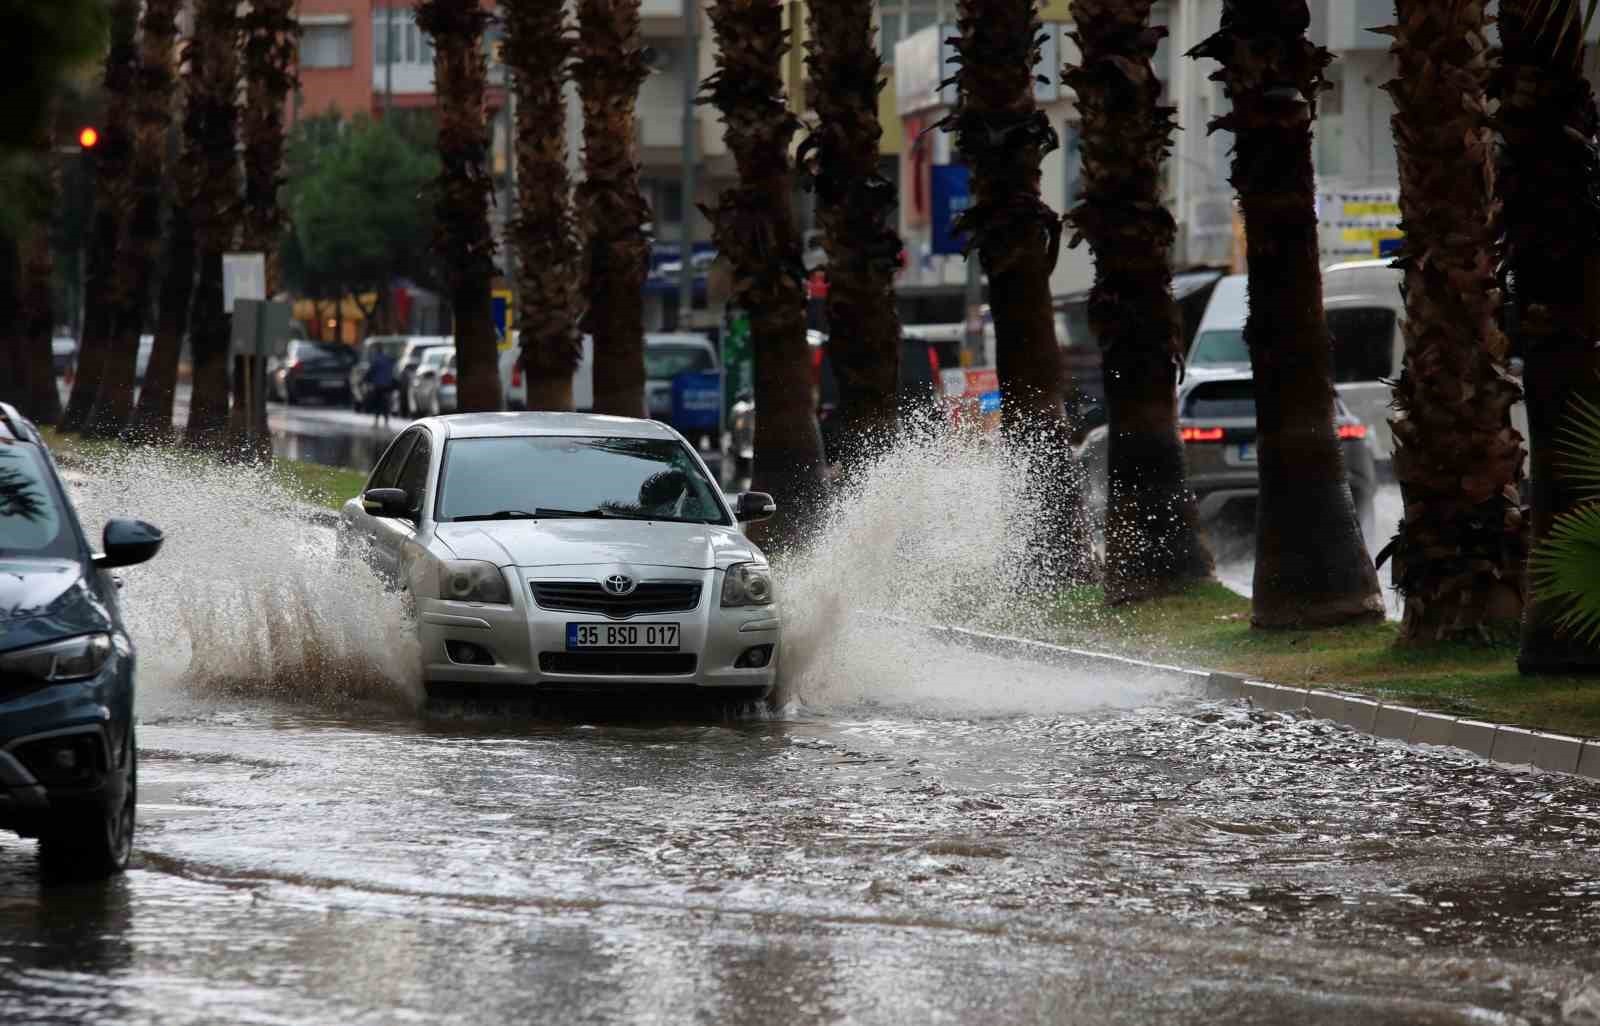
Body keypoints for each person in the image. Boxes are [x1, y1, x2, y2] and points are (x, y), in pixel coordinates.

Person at [364, 347, 397, 426]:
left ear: (376, 352)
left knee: (378, 403)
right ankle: (386, 420)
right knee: (385, 403)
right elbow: (393, 369)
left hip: (378, 385)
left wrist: (365, 380)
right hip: (387, 385)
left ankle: (376, 420)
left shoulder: (376, 360)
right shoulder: (388, 359)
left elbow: (370, 371)